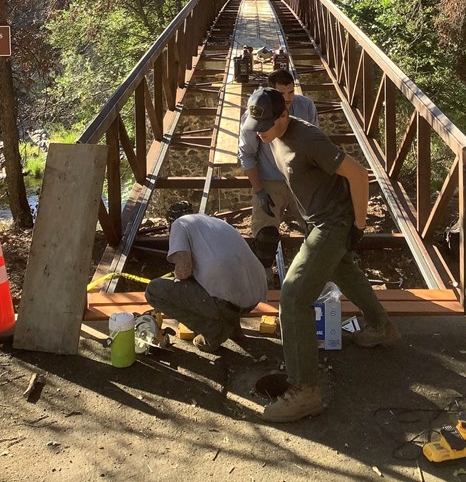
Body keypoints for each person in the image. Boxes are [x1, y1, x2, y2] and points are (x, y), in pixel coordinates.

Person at [241, 87, 401, 422]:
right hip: (317, 219)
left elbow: (358, 173)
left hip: (335, 222)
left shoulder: (308, 139)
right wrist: (264, 195)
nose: (261, 133)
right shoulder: (269, 131)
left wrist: (358, 225)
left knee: (294, 295)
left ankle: (305, 392)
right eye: (257, 126)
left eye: (267, 126)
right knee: (343, 269)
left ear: (284, 114)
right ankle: (381, 327)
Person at [145, 202, 267, 353]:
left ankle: (213, 330)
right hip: (254, 296)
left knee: (154, 291)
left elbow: (184, 272)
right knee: (220, 277)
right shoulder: (214, 222)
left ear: (170, 222)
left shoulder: (179, 224)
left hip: (228, 302)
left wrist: (175, 275)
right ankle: (234, 330)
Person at [238, 69, 319, 276]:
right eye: (281, 95)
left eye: (291, 92)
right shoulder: (255, 114)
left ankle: (313, 276)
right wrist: (259, 191)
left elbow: (316, 142)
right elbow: (246, 153)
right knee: (265, 238)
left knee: (318, 231)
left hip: (300, 179)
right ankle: (263, 281)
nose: (288, 99)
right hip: (270, 180)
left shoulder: (305, 106)